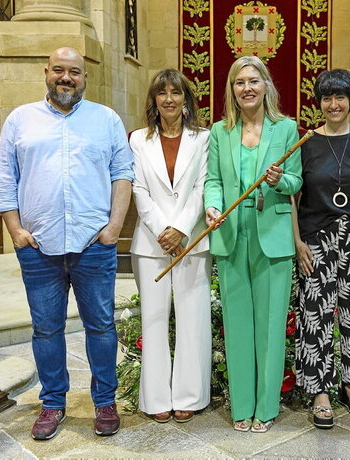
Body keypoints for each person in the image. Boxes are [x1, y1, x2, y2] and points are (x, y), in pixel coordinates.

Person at [0, 47, 133, 440]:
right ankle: (53, 404)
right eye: (59, 70)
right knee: (47, 330)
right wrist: (16, 233)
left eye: (74, 71)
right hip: (38, 248)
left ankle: (105, 400)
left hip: (94, 245)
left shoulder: (106, 120)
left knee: (101, 327)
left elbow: (123, 174)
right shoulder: (21, 120)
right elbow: (5, 180)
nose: (66, 77)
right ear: (46, 73)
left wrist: (113, 228)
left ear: (85, 78)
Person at [204, 56, 302, 433]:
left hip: (272, 236)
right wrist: (212, 207)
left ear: (266, 86)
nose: (247, 88)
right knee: (237, 324)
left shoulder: (286, 128)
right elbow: (213, 179)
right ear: (232, 89)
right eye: (239, 82)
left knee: (271, 324)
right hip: (230, 231)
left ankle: (266, 406)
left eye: (253, 81)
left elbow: (296, 183)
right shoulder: (219, 132)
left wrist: (278, 180)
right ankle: (241, 405)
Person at [291, 69, 350, 429]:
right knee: (315, 315)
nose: (333, 104)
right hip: (316, 239)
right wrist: (297, 242)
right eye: (326, 98)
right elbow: (293, 198)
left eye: (340, 97)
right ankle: (320, 392)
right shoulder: (306, 143)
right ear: (319, 102)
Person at [129, 69, 211, 424]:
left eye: (175, 92)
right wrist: (163, 229)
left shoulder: (204, 138)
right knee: (154, 319)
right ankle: (156, 396)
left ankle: (190, 396)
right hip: (150, 244)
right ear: (154, 100)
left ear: (186, 99)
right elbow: (138, 189)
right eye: (161, 93)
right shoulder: (137, 140)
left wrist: (180, 228)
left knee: (193, 319)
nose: (168, 99)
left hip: (192, 241)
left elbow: (203, 187)